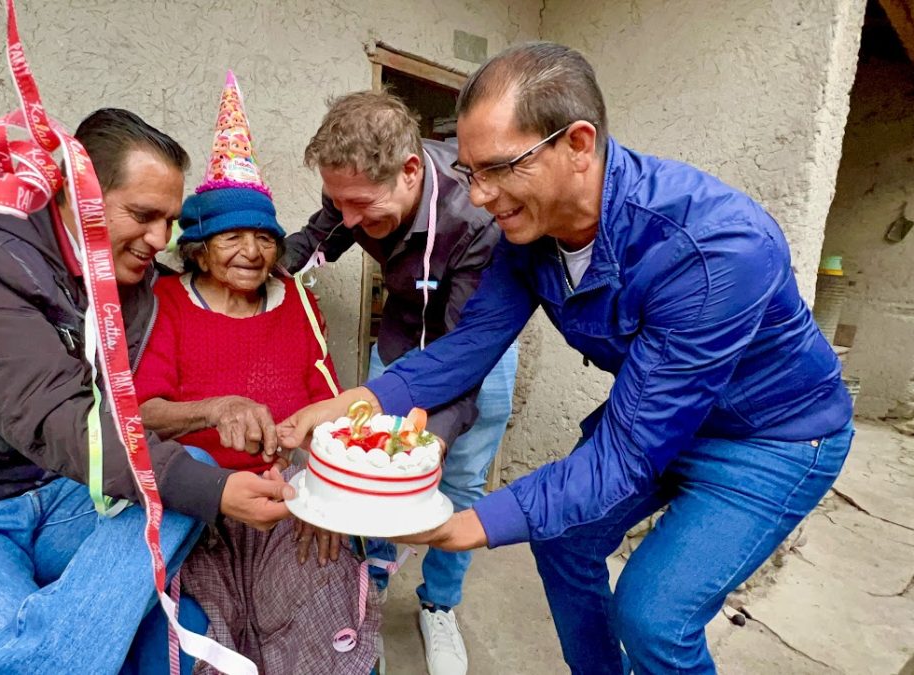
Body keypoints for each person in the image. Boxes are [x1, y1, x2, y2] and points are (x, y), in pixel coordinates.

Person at [279, 42, 855, 674]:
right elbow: (470, 344)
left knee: (654, 616)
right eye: (470, 171)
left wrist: (457, 527)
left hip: (771, 437)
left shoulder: (714, 248)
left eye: (498, 168)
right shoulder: (531, 233)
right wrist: (353, 402)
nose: (480, 195)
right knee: (562, 540)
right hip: (661, 409)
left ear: (578, 144)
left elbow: (629, 455)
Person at [0, 108, 293, 674]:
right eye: (143, 215)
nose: (159, 239)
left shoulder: (125, 277)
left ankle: (45, 649)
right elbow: (58, 416)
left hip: (44, 495)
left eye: (170, 221)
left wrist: (220, 424)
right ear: (76, 193)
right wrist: (216, 490)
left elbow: (220, 289)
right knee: (190, 488)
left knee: (191, 475)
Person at [133, 72, 379, 675]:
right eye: (232, 237)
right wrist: (217, 408)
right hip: (198, 498)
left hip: (289, 493)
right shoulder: (167, 301)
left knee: (318, 602)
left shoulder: (297, 302)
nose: (252, 251)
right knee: (208, 632)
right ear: (199, 246)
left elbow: (330, 409)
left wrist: (323, 497)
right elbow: (141, 412)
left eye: (265, 237)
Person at [281, 91, 516, 675]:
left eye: (361, 204)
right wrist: (257, 266)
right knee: (371, 474)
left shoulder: (477, 219)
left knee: (457, 479)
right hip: (399, 341)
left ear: (411, 170)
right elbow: (319, 237)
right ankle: (373, 579)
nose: (348, 218)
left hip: (475, 344)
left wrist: (426, 442)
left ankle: (439, 604)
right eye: (338, 201)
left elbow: (463, 358)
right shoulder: (350, 193)